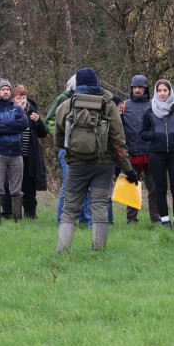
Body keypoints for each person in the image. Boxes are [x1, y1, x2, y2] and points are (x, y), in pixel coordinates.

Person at [55, 68, 139, 252]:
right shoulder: (108, 105)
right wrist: (128, 169)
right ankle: (98, 250)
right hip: (103, 164)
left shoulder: (67, 105)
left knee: (70, 208)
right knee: (99, 206)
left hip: (76, 165)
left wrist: (71, 152)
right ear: (95, 83)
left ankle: (61, 251)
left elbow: (59, 138)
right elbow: (119, 140)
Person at [140, 79, 174, 228]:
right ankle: (165, 221)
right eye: (159, 90)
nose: (162, 93)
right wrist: (156, 136)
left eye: (165, 90)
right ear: (156, 92)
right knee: (159, 189)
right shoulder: (149, 111)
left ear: (170, 91)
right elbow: (142, 133)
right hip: (156, 155)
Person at [46, 75, 92, 226]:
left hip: (84, 149)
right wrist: (62, 136)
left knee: (86, 185)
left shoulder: (91, 100)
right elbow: (50, 120)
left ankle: (85, 220)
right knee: (68, 185)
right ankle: (62, 220)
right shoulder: (63, 98)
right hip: (66, 149)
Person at [0, 85, 48, 219]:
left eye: (24, 97)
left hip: (29, 157)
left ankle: (30, 215)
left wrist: (38, 122)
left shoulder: (32, 112)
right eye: (18, 98)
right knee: (10, 186)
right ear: (13, 99)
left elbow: (43, 134)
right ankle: (8, 214)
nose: (21, 100)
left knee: (29, 188)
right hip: (13, 156)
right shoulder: (7, 111)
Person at [119, 75, 160, 225]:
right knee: (131, 188)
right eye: (135, 87)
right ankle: (131, 219)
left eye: (140, 87)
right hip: (131, 152)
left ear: (146, 89)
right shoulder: (124, 106)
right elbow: (118, 129)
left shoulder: (154, 105)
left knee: (154, 188)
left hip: (151, 152)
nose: (137, 90)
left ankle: (155, 218)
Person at [0, 78, 29, 224]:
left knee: (16, 189)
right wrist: (13, 125)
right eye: (3, 89)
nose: (6, 91)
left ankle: (18, 219)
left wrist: (4, 124)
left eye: (8, 89)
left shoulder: (17, 108)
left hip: (16, 152)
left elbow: (23, 124)